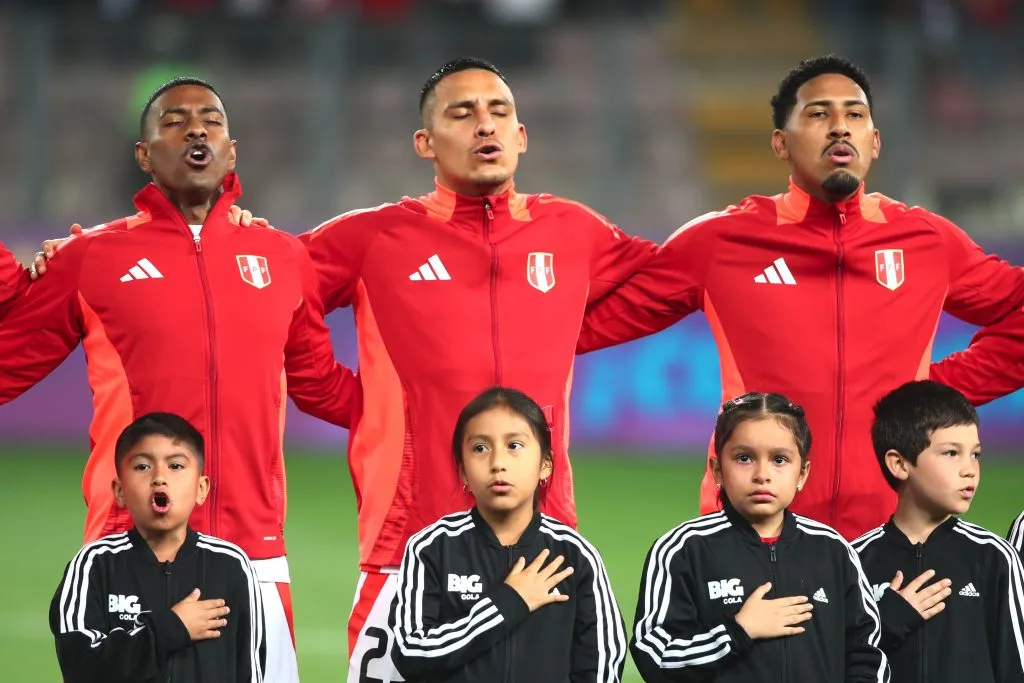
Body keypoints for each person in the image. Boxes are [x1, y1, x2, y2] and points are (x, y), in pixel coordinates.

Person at [576, 54, 1024, 541]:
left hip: (894, 535)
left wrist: (934, 391)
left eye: (855, 115)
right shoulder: (720, 243)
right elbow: (572, 327)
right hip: (752, 532)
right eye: (818, 114)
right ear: (780, 144)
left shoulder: (928, 243)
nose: (839, 128)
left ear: (874, 142)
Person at [0, 77, 359, 682]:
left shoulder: (280, 256)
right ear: (144, 156)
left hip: (255, 554)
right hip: (130, 545)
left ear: (232, 150)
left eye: (211, 120)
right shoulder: (91, 260)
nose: (196, 129)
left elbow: (322, 385)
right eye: (174, 121)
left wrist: (428, 406)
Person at [630, 392, 888, 682]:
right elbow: (655, 656)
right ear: (717, 470)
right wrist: (738, 631)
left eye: (779, 459)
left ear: (802, 473)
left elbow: (867, 651)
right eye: (744, 458)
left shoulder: (832, 549)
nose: (762, 474)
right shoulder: (684, 550)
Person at [388, 387, 626, 682]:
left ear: (545, 465)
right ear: (462, 471)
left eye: (514, 445)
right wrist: (509, 601)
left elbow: (601, 666)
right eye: (480, 448)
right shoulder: (431, 548)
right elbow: (412, 653)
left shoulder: (575, 556)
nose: (497, 462)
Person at [49, 412, 265, 683]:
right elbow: (79, 667)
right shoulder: (95, 564)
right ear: (119, 491)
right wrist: (172, 628)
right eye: (142, 466)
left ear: (201, 488)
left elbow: (249, 672)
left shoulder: (232, 566)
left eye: (175, 466)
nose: (159, 478)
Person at [852, 380, 1024, 683]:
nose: (970, 469)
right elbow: (829, 662)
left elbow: (1015, 667)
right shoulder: (853, 560)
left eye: (976, 454)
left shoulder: (996, 557)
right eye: (951, 453)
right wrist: (886, 623)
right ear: (899, 464)